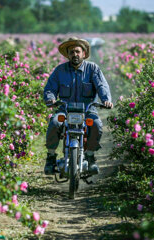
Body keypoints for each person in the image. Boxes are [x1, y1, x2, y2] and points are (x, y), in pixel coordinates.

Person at [43, 37, 113, 175]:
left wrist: (106, 99)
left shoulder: (93, 69)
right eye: (71, 52)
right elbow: (50, 88)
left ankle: (90, 156)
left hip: (87, 110)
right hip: (65, 110)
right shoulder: (60, 70)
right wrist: (50, 99)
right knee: (55, 122)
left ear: (83, 53)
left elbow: (101, 85)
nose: (74, 54)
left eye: (77, 51)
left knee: (97, 125)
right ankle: (51, 156)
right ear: (67, 55)